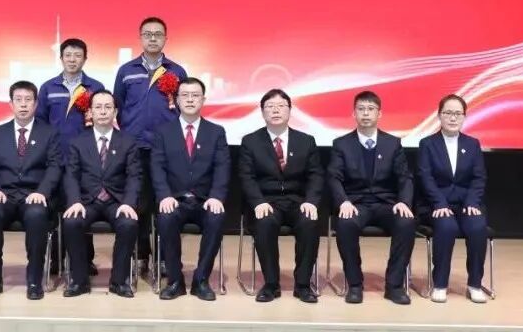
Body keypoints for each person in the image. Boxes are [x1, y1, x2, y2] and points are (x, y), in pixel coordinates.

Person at [113, 16, 187, 273]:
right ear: (140, 37)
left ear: (166, 38)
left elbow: (184, 107)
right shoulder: (126, 71)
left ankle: (166, 258)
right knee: (139, 203)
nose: (153, 38)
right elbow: (118, 107)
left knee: (166, 203)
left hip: (167, 149)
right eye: (147, 34)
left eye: (158, 34)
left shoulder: (177, 72)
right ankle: (141, 254)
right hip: (135, 148)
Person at [328, 90, 415, 305]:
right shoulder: (341, 144)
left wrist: (404, 202)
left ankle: (394, 286)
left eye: (370, 109)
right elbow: (333, 177)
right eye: (361, 109)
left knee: (406, 222)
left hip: (386, 204)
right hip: (356, 204)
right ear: (354, 114)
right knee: (345, 224)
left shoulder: (392, 143)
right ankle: (355, 284)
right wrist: (344, 201)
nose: (366, 113)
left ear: (379, 114)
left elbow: (405, 177)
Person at [238, 89, 323, 303]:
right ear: (262, 112)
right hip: (267, 201)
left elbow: (316, 175)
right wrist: (258, 202)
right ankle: (271, 284)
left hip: (297, 201)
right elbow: (246, 177)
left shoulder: (306, 141)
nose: (275, 110)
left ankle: (302, 285)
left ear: (290, 110)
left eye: (281, 106)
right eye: (270, 107)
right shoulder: (250, 141)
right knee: (264, 223)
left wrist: (311, 201)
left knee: (310, 222)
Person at [0, 81, 61, 300]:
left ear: (36, 104)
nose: (23, 105)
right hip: (4, 195)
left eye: (28, 100)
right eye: (18, 100)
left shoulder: (49, 133)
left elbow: (55, 166)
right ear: (11, 104)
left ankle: (34, 280)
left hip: (33, 194)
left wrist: (42, 192)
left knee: (37, 215)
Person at [150, 77, 230, 301]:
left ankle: (201, 280)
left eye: (195, 95)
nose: (190, 99)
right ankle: (175, 281)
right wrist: (164, 196)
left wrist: (217, 196)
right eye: (184, 95)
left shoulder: (216, 132)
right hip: (174, 199)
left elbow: (222, 167)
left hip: (204, 200)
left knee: (216, 217)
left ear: (203, 99)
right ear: (176, 100)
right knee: (166, 218)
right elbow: (157, 167)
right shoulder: (163, 132)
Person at [61, 90, 142, 298]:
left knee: (129, 224)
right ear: (90, 112)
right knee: (71, 222)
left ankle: (119, 281)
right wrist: (75, 201)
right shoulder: (78, 142)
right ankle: (79, 281)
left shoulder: (128, 141)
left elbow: (134, 176)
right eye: (98, 107)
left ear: (115, 111)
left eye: (108, 107)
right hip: (86, 201)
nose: (103, 111)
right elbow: (71, 175)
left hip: (117, 201)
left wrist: (129, 203)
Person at [35, 37, 105, 276]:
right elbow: (41, 124)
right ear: (61, 58)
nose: (72, 59)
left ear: (85, 59)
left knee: (82, 208)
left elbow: (102, 120)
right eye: (68, 55)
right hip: (56, 159)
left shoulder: (95, 87)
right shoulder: (48, 87)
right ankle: (55, 259)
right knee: (56, 210)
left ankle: (85, 260)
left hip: (86, 161)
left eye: (77, 55)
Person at [417, 94, 489, 304]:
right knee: (446, 226)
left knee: (477, 227)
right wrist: (439, 204)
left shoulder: (472, 144)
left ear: (464, 117)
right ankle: (440, 284)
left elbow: (479, 177)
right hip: (436, 205)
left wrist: (472, 202)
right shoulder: (427, 144)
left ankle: (475, 284)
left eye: (458, 113)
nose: (453, 117)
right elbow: (425, 177)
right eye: (448, 113)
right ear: (439, 116)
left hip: (466, 204)